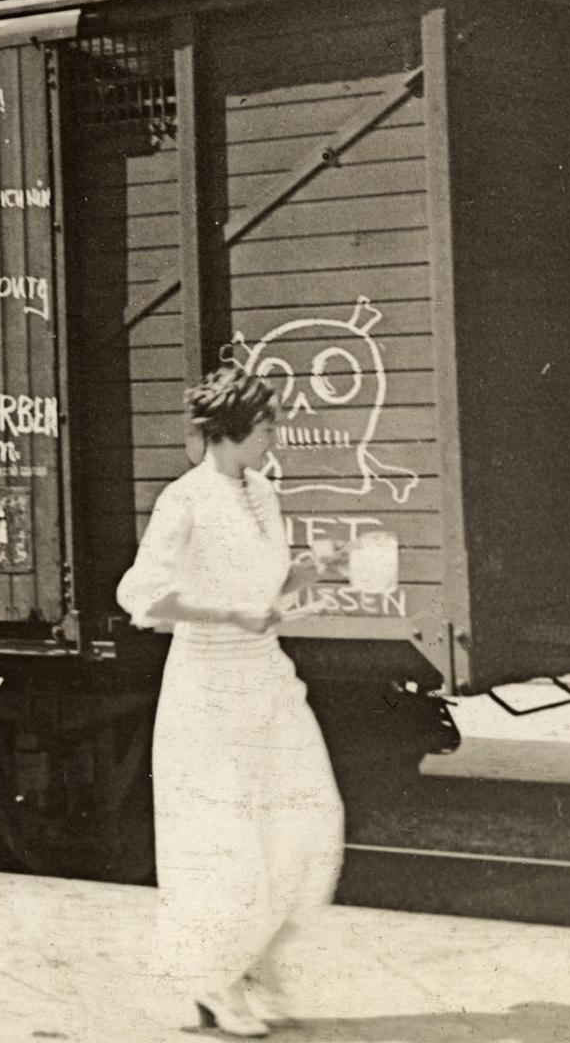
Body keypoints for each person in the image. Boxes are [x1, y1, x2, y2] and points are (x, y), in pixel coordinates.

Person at [114, 364, 346, 1039]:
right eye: (268, 423)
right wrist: (230, 615)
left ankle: (254, 965)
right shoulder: (184, 500)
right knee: (227, 840)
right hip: (208, 688)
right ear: (233, 429)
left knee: (306, 821)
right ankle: (214, 982)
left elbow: (266, 591)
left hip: (266, 678)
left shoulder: (263, 493)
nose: (275, 434)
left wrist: (306, 573)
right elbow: (142, 599)